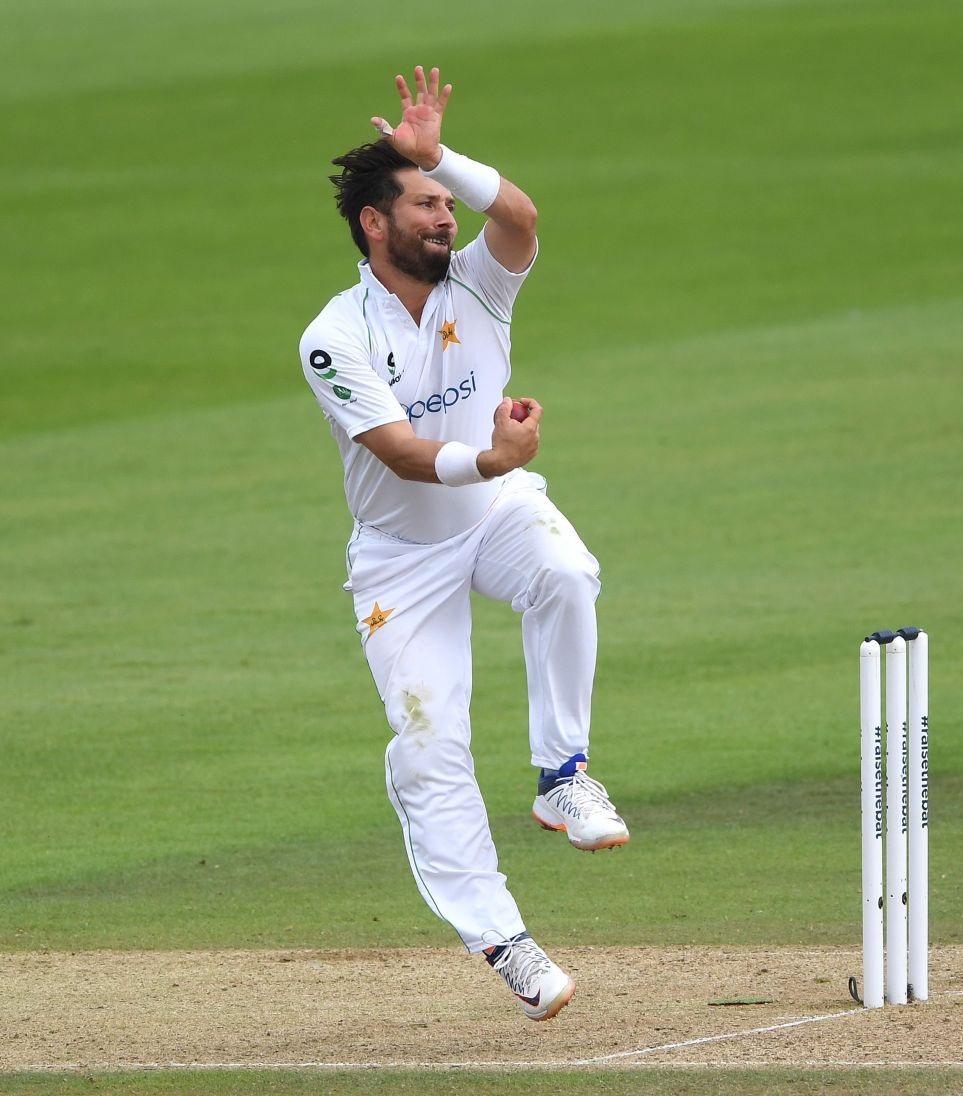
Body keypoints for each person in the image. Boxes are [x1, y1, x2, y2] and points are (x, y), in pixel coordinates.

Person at [296, 67, 627, 1022]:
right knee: (430, 744)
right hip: (403, 557)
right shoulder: (334, 336)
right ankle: (507, 942)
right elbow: (397, 453)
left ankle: (563, 777)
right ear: (373, 223)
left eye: (448, 201)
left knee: (565, 569)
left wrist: (439, 152)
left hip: (495, 510)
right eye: (427, 203)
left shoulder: (479, 283)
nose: (447, 217)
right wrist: (492, 454)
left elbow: (519, 219)